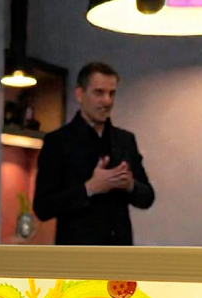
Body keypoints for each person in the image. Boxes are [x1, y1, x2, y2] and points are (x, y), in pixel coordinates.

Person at [33, 62, 155, 245]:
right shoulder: (58, 142)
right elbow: (43, 207)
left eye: (111, 93)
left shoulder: (125, 140)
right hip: (77, 254)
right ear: (79, 94)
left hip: (119, 252)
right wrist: (89, 188)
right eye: (99, 93)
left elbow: (147, 198)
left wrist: (130, 185)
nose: (107, 101)